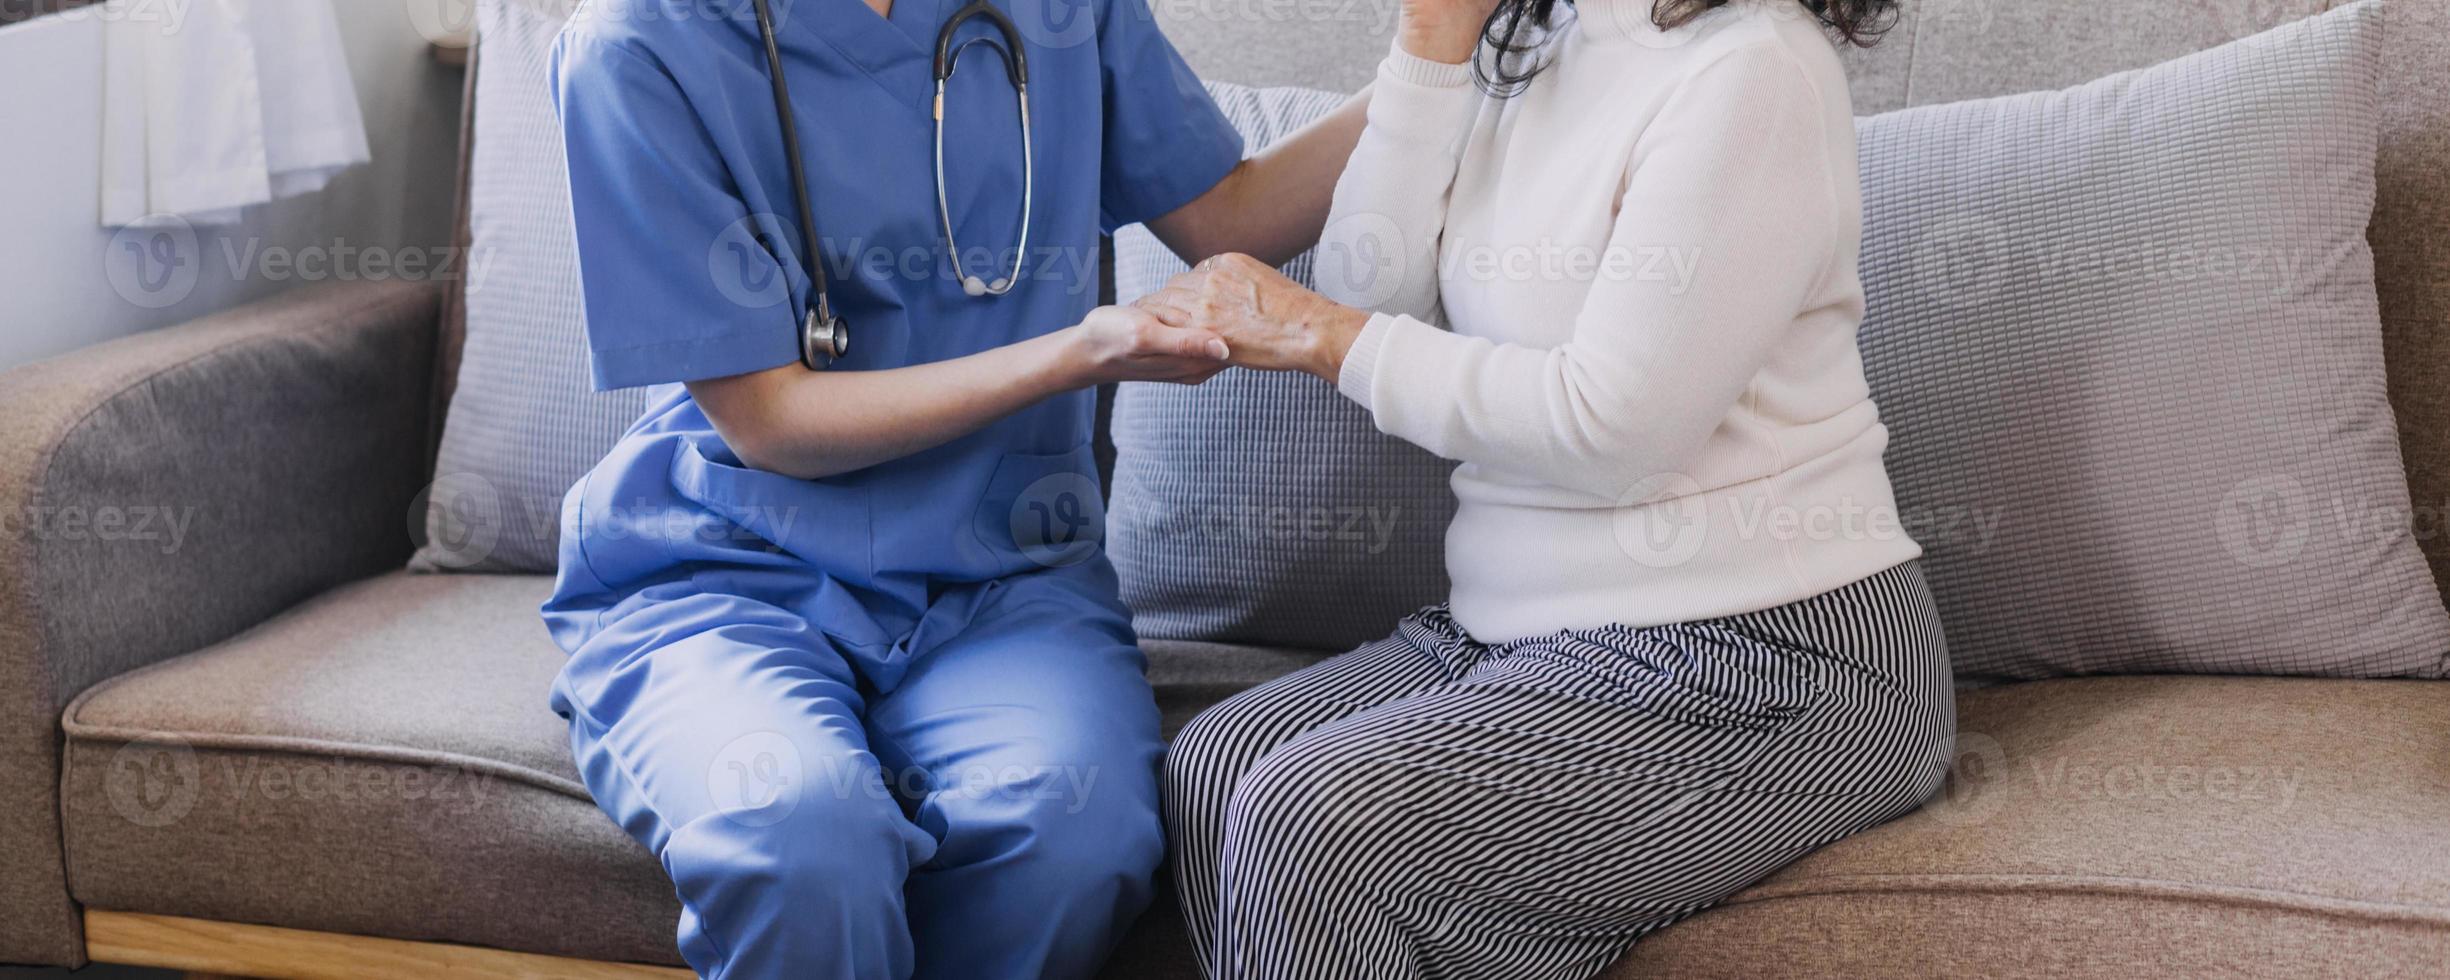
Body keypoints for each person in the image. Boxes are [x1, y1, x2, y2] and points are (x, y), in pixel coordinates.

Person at [537, 0, 1365, 977]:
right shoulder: (638, 45)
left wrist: (1447, 55)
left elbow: (1232, 213)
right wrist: (1075, 353)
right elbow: (769, 421)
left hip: (1004, 574)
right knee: (799, 833)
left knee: (1071, 835)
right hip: (729, 569)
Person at [1142, 0, 1958, 975]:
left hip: (1770, 651)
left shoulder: (1754, 70)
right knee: (1214, 760)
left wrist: (1316, 333)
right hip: (1521, 629)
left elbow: (1614, 430)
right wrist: (1430, 47)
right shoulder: (1522, 42)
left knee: (1304, 813)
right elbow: (1368, 294)